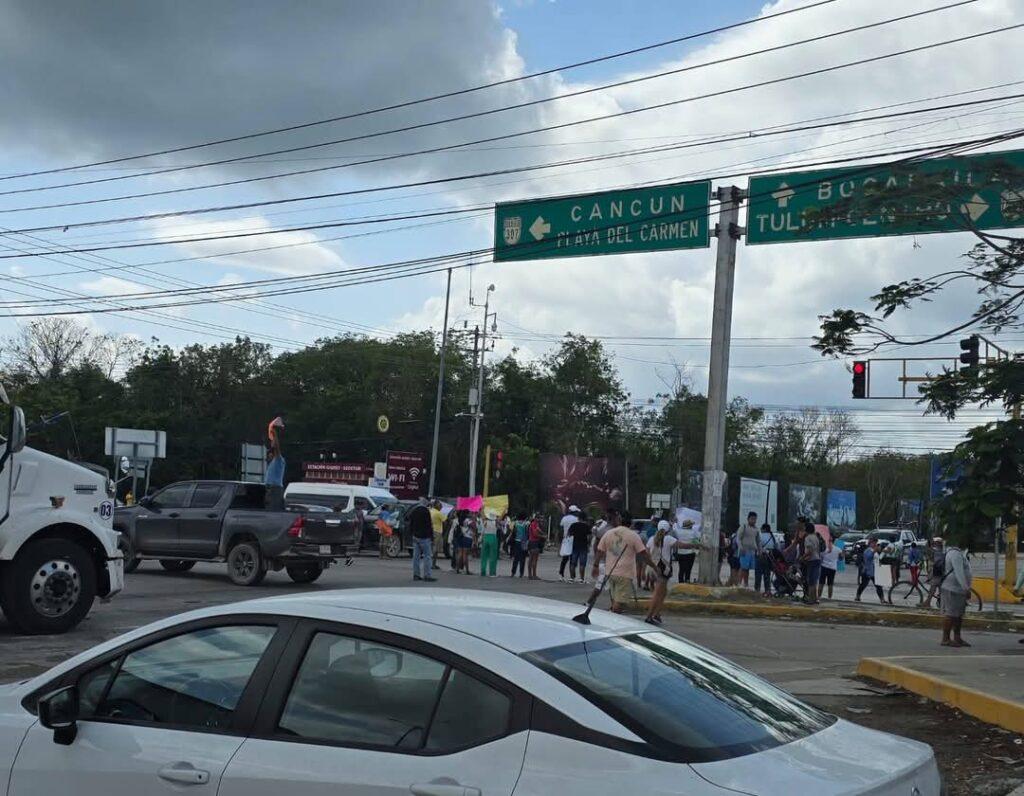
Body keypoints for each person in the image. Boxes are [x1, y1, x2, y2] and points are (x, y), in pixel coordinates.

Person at [592, 510, 654, 613]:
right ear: (631, 522)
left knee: (614, 598)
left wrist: (595, 565)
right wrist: (654, 566)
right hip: (625, 574)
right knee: (619, 602)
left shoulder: (609, 533)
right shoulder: (633, 536)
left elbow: (600, 550)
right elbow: (643, 554)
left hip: (610, 571)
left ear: (620, 520)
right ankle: (613, 616)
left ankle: (612, 615)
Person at [940, 540, 973, 648]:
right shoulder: (955, 554)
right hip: (953, 589)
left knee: (958, 615)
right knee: (950, 614)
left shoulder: (958, 553)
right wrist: (966, 588)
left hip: (957, 589)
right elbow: (959, 573)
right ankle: (945, 639)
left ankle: (957, 637)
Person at [645, 520, 677, 625]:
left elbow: (647, 553)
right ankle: (650, 616)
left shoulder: (651, 539)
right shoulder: (669, 539)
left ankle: (657, 614)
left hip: (652, 569)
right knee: (658, 594)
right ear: (668, 529)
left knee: (662, 592)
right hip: (662, 570)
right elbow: (682, 545)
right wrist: (697, 545)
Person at [407, 498, 435, 582]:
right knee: (427, 556)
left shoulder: (414, 511)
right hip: (425, 537)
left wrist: (412, 533)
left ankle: (416, 575)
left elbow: (410, 522)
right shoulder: (426, 512)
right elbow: (429, 524)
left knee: (416, 557)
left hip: (415, 536)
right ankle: (427, 575)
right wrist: (431, 536)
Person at [264, 415, 286, 510]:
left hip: (275, 488)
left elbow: (276, 447)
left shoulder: (278, 460)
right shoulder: (271, 464)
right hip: (270, 488)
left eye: (269, 453)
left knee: (272, 509)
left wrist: (273, 433)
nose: (268, 456)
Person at [855, 538, 885, 603]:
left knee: (878, 586)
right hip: (867, 571)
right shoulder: (867, 550)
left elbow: (877, 560)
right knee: (863, 585)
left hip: (875, 571)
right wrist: (874, 551)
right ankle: (858, 596)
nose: (875, 544)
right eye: (873, 543)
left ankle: (882, 599)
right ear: (870, 543)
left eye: (875, 543)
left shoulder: (876, 552)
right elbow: (867, 558)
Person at [736, 512, 760, 588]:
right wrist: (740, 546)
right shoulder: (743, 527)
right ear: (748, 519)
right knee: (743, 567)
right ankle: (739, 584)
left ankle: (746, 585)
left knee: (748, 569)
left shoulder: (756, 529)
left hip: (752, 551)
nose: (753, 521)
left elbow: (758, 541)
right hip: (744, 550)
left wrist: (760, 550)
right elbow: (738, 538)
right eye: (752, 519)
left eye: (755, 519)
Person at [673, 518, 700, 584]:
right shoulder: (693, 532)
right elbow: (699, 538)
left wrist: (675, 522)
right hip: (690, 553)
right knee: (688, 569)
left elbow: (674, 528)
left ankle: (680, 583)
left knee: (681, 569)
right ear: (690, 526)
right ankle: (687, 581)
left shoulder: (679, 532)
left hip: (680, 553)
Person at [800, 522, 822, 605]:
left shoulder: (808, 538)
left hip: (811, 560)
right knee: (814, 581)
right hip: (817, 560)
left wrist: (802, 557)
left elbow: (810, 550)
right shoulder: (816, 537)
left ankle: (810, 599)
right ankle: (814, 599)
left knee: (810, 581)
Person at [568, 513, 592, 584]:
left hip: (574, 546)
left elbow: (569, 534)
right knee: (582, 564)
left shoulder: (573, 525)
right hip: (583, 546)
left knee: (573, 563)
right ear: (585, 518)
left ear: (578, 518)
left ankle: (571, 578)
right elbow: (589, 536)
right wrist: (589, 544)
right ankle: (581, 579)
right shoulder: (587, 526)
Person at [755, 523, 777, 596]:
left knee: (758, 574)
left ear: (764, 529)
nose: (760, 529)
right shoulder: (773, 537)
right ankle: (767, 591)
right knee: (767, 574)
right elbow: (776, 547)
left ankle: (757, 591)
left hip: (761, 556)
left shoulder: (760, 536)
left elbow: (757, 546)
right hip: (770, 557)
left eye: (761, 528)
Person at [923, 537, 946, 608]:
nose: (935, 544)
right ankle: (942, 604)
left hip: (938, 571)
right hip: (940, 571)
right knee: (940, 588)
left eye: (936, 543)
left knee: (933, 587)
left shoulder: (938, 551)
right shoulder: (941, 551)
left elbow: (934, 558)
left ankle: (927, 602)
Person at [558, 508, 577, 582]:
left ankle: (561, 574)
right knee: (573, 559)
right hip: (573, 539)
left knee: (564, 559)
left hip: (565, 539)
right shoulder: (576, 519)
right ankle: (572, 576)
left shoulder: (564, 518)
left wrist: (560, 540)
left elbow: (561, 529)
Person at [819, 532, 839, 600]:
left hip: (824, 567)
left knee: (821, 582)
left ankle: (819, 596)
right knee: (830, 584)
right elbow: (841, 557)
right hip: (833, 568)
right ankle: (829, 597)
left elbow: (821, 556)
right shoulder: (838, 549)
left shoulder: (825, 548)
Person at [479, 511, 499, 577]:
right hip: (493, 538)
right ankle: (492, 573)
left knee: (484, 556)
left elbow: (482, 515)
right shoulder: (495, 522)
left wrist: (482, 508)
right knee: (493, 556)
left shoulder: (485, 521)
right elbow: (501, 517)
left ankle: (483, 572)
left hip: (485, 537)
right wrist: (504, 509)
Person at [510, 513, 529, 577]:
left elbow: (512, 531)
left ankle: (513, 572)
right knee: (522, 559)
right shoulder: (526, 524)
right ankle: (521, 573)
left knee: (516, 558)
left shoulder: (516, 523)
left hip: (516, 541)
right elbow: (527, 533)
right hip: (523, 542)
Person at [527, 514, 545, 580]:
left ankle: (530, 575)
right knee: (534, 559)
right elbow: (535, 533)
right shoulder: (534, 524)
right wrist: (542, 536)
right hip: (534, 542)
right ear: (536, 518)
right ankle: (533, 575)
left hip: (532, 542)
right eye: (540, 518)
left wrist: (542, 533)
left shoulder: (535, 524)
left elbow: (538, 530)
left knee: (531, 559)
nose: (541, 520)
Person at [429, 501, 445, 566]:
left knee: (432, 547)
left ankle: (432, 563)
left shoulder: (431, 511)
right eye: (440, 505)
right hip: (437, 531)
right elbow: (445, 521)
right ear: (436, 505)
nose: (441, 506)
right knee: (435, 548)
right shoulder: (438, 513)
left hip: (431, 530)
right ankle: (433, 564)